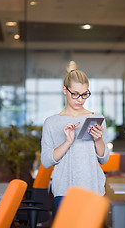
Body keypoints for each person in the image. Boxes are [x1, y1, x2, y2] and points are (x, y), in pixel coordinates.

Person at [41, 61, 109, 210]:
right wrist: (67, 142)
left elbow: (103, 159)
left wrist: (98, 140)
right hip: (64, 193)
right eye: (75, 94)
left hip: (93, 190)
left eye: (85, 94)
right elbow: (46, 161)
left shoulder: (96, 118)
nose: (80, 99)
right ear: (65, 90)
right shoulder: (51, 123)